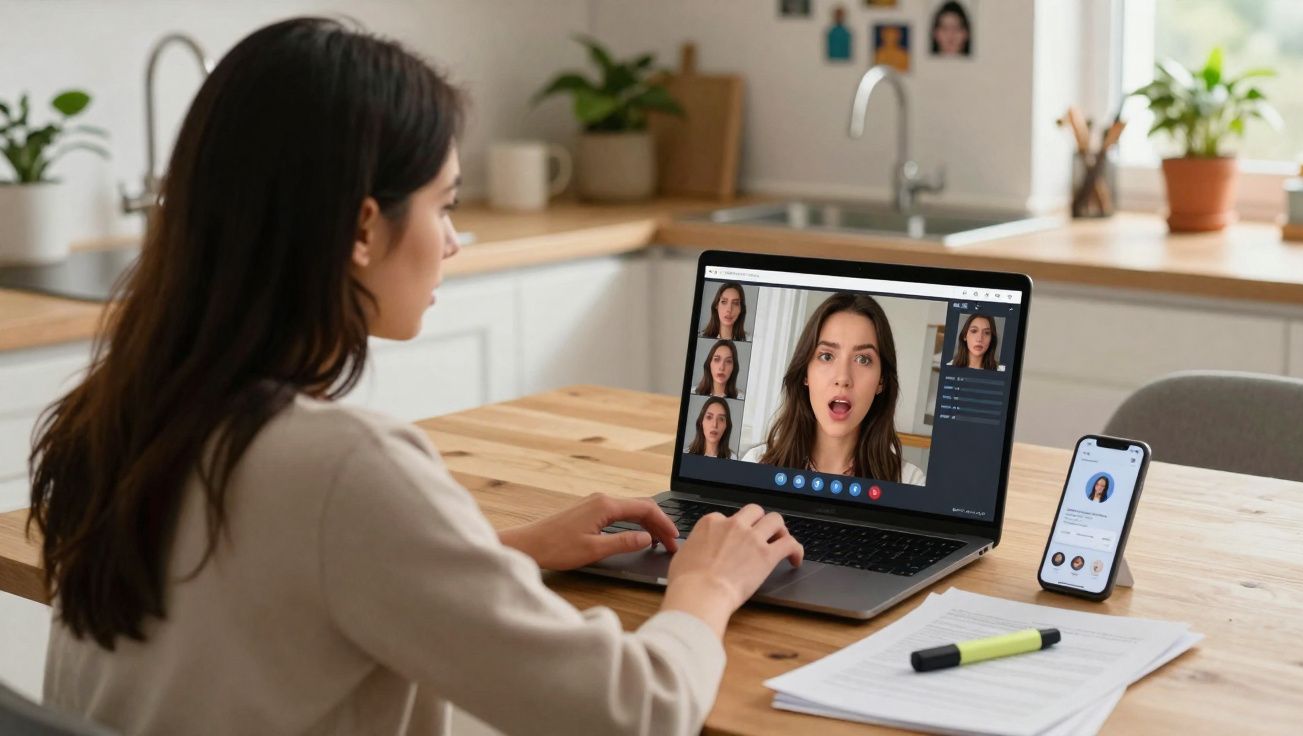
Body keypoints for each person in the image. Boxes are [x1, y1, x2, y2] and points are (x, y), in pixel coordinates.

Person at [28, 18, 803, 736]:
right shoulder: (341, 467)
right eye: (445, 204)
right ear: (365, 228)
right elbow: (634, 709)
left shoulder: (122, 417)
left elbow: (279, 582)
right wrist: (706, 584)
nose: (455, 241)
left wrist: (496, 553)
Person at [741, 293, 926, 485]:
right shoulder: (755, 465)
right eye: (827, 356)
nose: (843, 378)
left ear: (881, 381)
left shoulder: (911, 481)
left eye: (863, 359)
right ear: (805, 373)